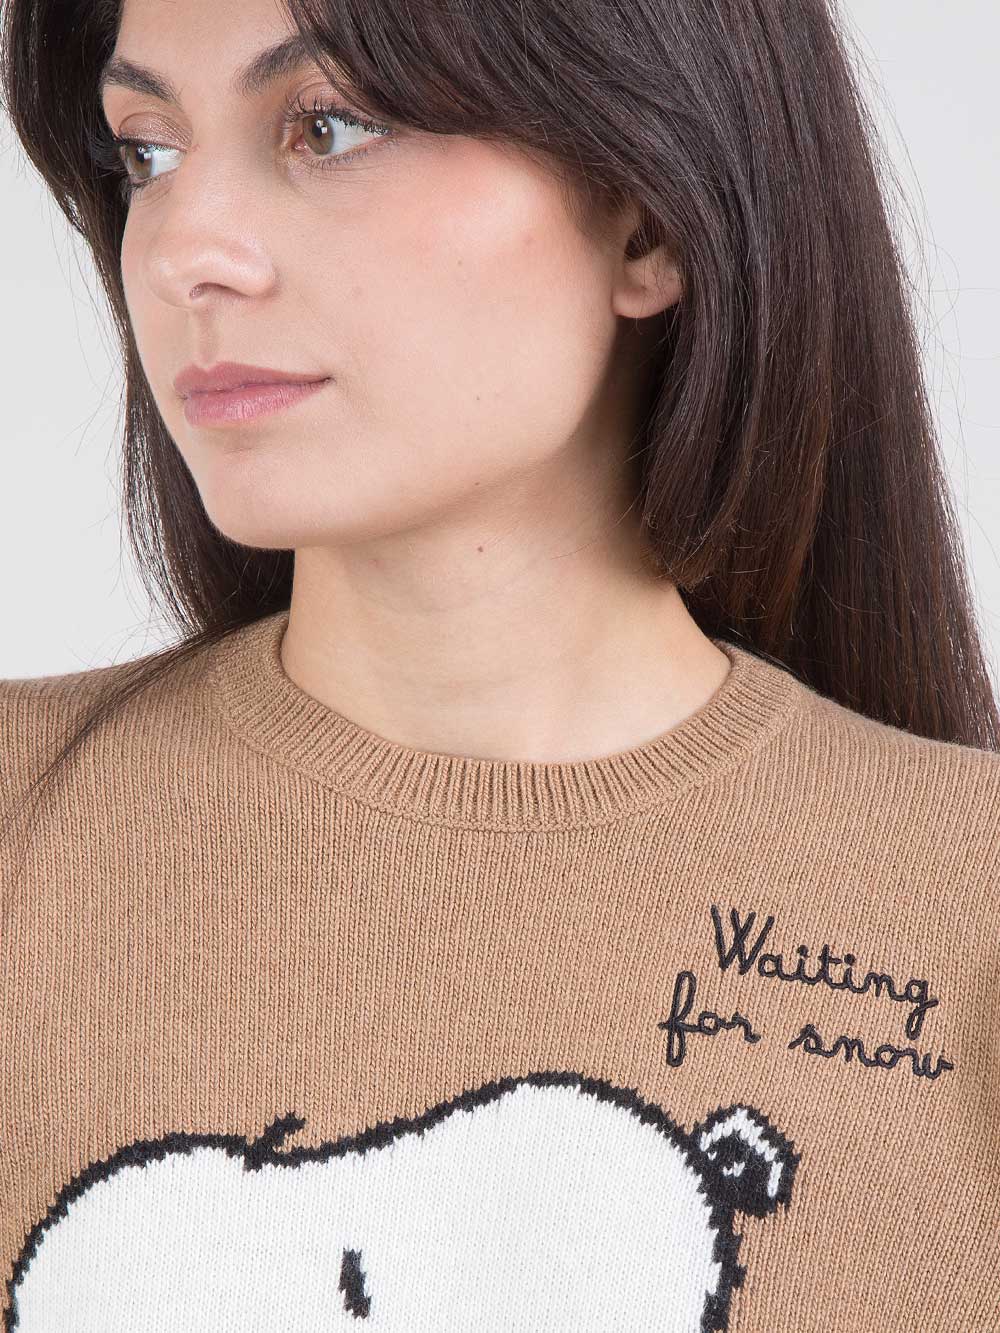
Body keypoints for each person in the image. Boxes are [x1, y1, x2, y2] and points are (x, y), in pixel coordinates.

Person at [0, 0, 997, 1327]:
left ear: (646, 220)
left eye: (327, 126)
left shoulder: (969, 898)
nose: (185, 251)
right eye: (148, 150)